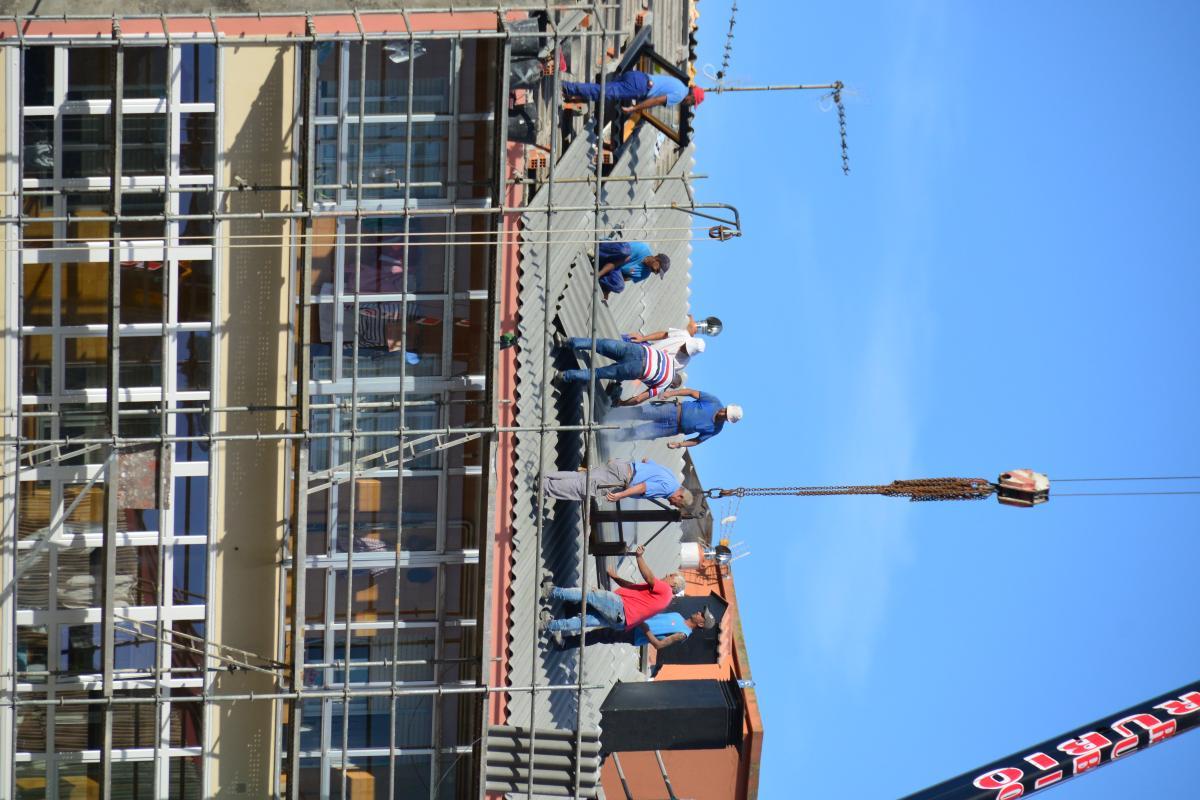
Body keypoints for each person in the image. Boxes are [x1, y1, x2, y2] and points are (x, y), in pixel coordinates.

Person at [541, 545, 684, 639]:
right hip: (621, 621)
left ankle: (552, 591)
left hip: (621, 607)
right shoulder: (663, 599)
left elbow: (649, 577)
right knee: (584, 621)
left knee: (589, 594)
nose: (666, 575)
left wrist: (639, 557)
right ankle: (549, 625)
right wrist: (616, 578)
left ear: (673, 583)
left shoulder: (665, 590)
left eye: (670, 575)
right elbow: (632, 586)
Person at [541, 457, 693, 509]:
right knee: (584, 489)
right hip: (620, 479)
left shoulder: (671, 476)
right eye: (676, 504)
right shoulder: (667, 488)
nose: (672, 504)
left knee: (582, 478)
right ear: (680, 496)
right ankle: (545, 487)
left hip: (622, 466)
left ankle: (546, 476)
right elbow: (643, 487)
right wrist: (621, 495)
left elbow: (647, 460)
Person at [615, 388, 742, 447]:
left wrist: (680, 445)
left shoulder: (716, 429)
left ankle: (611, 436)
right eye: (725, 410)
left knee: (640, 433)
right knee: (640, 412)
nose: (722, 412)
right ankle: (611, 416)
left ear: (727, 419)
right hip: (672, 410)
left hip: (672, 428)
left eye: (725, 415)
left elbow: (697, 441)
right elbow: (691, 392)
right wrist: (670, 393)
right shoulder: (714, 401)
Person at [560, 337, 680, 399]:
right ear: (673, 385)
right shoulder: (664, 385)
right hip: (637, 369)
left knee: (598, 344)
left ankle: (567, 341)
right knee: (597, 373)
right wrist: (622, 403)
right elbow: (639, 399)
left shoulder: (669, 358)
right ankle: (564, 375)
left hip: (637, 350)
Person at [548, 607, 714, 651]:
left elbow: (659, 645)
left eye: (702, 615)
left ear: (700, 624)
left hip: (635, 632)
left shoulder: (683, 634)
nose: (699, 612)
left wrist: (644, 626)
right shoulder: (678, 615)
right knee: (604, 617)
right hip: (635, 621)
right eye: (702, 611)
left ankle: (563, 644)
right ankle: (570, 614)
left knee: (601, 634)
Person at [562, 70, 705, 113]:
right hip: (639, 87)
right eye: (693, 103)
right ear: (692, 97)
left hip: (638, 76)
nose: (690, 105)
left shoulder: (680, 84)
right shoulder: (680, 96)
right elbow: (656, 100)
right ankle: (567, 87)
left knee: (602, 91)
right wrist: (635, 108)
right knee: (601, 93)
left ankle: (569, 92)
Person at [595, 241, 670, 299]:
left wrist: (607, 291)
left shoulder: (644, 274)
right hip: (609, 254)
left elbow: (624, 278)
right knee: (624, 251)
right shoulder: (642, 249)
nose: (656, 273)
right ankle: (597, 254)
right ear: (657, 259)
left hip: (612, 268)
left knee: (619, 286)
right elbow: (618, 261)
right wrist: (599, 274)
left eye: (658, 273)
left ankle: (601, 275)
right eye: (658, 270)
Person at [624, 327, 705, 370]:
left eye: (687, 351)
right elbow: (664, 334)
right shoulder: (683, 335)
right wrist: (642, 338)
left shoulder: (682, 364)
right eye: (685, 346)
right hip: (645, 349)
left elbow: (660, 371)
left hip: (643, 365)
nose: (683, 349)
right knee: (625, 339)